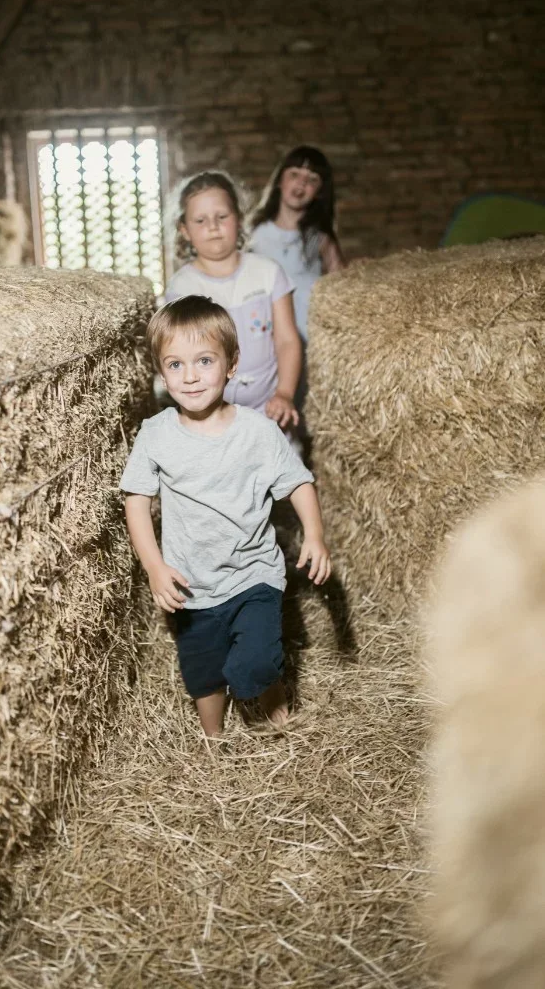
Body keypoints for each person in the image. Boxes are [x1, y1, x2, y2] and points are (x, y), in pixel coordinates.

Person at [119, 296, 331, 739]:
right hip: (192, 583)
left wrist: (313, 534)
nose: (191, 376)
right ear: (161, 372)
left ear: (231, 365)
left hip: (254, 574)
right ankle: (213, 742)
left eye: (204, 361)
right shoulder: (156, 435)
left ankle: (275, 713)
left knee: (253, 662)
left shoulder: (257, 431)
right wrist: (154, 567)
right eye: (175, 365)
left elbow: (297, 482)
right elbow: (136, 500)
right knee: (203, 671)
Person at [164, 171, 302, 435]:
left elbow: (287, 340)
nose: (213, 226)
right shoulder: (182, 287)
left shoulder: (268, 272)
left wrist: (284, 392)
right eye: (200, 220)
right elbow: (184, 356)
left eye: (222, 217)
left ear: (238, 218)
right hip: (210, 415)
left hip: (269, 410)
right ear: (185, 230)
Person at [249, 146, 346, 352]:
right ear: (279, 181)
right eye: (294, 174)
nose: (301, 183)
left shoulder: (319, 238)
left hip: (310, 335)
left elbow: (342, 284)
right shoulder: (254, 235)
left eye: (312, 180)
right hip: (266, 334)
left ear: (320, 193)